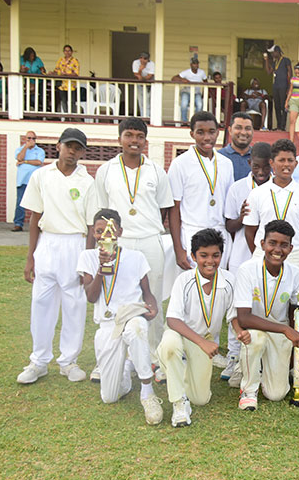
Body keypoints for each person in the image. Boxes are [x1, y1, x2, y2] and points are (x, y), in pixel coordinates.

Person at [92, 117, 174, 383]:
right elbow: (101, 212)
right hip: (119, 242)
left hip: (150, 239)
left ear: (145, 141)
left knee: (154, 299)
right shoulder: (106, 170)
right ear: (119, 139)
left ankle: (154, 356)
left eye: (139, 136)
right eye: (129, 135)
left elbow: (164, 208)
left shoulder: (156, 171)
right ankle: (113, 356)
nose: (134, 141)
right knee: (116, 298)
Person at [16, 128, 95, 384]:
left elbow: (93, 225)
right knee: (41, 303)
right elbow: (34, 217)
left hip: (76, 242)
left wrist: (88, 260)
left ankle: (68, 361)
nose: (73, 151)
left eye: (78, 148)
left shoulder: (87, 181)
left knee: (74, 304)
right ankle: (38, 361)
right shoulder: (41, 176)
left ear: (83, 151)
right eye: (69, 146)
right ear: (58, 146)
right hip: (48, 242)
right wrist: (30, 257)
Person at [77, 209, 163, 425]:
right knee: (109, 396)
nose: (105, 235)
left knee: (137, 329)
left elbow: (147, 293)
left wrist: (152, 307)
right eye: (99, 231)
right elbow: (91, 296)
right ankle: (126, 368)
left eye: (110, 231)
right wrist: (101, 268)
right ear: (94, 233)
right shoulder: (87, 256)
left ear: (120, 232)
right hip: (107, 323)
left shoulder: (136, 257)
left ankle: (147, 392)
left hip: (132, 313)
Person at [158, 228, 240, 426]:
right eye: (203, 256)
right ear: (194, 256)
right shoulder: (184, 280)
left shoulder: (229, 280)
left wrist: (241, 333)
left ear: (222, 255)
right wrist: (202, 342)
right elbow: (173, 321)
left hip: (204, 343)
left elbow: (233, 316)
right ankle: (178, 403)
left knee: (201, 399)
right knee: (170, 345)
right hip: (180, 335)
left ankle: (177, 371)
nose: (210, 261)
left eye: (215, 255)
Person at [235, 220, 299, 411]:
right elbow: (243, 317)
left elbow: (294, 316)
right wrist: (285, 329)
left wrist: (294, 358)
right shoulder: (246, 270)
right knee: (255, 339)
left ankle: (263, 369)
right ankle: (249, 389)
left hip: (280, 334)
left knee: (276, 395)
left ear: (291, 248)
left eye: (284, 245)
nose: (277, 249)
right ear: (262, 244)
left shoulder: (297, 274)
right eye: (272, 243)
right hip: (254, 328)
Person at [222, 142, 272, 382]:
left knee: (264, 304)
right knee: (239, 304)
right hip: (242, 254)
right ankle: (234, 356)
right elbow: (229, 225)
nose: (260, 172)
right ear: (249, 163)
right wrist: (243, 217)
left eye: (264, 167)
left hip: (270, 256)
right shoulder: (238, 188)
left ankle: (262, 356)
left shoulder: (277, 188)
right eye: (255, 166)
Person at [169, 112, 235, 272]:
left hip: (220, 233)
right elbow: (174, 208)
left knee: (220, 287)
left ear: (218, 132)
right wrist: (179, 250)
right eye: (201, 132)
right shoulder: (180, 164)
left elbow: (229, 206)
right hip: (192, 233)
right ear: (192, 134)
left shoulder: (226, 163)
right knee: (194, 288)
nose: (207, 137)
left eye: (211, 132)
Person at [243, 138, 299, 274]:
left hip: (294, 256)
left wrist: (296, 253)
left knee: (296, 295)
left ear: (296, 163)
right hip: (263, 254)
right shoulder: (257, 193)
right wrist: (262, 252)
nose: (286, 165)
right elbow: (249, 231)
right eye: (281, 160)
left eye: (290, 160)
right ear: (272, 163)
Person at [13, 131, 45, 232]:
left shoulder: (39, 151)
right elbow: (19, 158)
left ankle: (40, 224)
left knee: (38, 203)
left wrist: (25, 162)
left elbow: (39, 162)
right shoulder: (20, 149)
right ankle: (18, 224)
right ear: (25, 139)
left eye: (33, 138)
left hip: (35, 181)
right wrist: (26, 147)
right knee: (20, 203)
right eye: (29, 138)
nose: (31, 140)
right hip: (22, 181)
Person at [263, 44, 292, 131]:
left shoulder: (286, 60)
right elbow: (268, 72)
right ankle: (279, 126)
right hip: (276, 86)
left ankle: (283, 127)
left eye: (273, 53)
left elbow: (290, 73)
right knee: (277, 106)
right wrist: (266, 60)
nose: (272, 55)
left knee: (284, 106)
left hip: (284, 86)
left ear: (277, 52)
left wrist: (289, 87)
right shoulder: (275, 62)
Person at [218, 112, 254, 181]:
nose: (243, 132)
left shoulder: (260, 157)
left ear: (252, 131)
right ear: (230, 130)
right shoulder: (219, 157)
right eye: (238, 128)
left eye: (247, 128)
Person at [172, 58, 207, 123]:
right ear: (191, 65)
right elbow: (173, 78)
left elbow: (206, 82)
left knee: (199, 105)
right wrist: (182, 80)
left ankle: (197, 121)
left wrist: (204, 93)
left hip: (197, 92)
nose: (196, 65)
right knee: (184, 104)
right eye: (194, 63)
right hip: (186, 91)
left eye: (197, 63)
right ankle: (184, 121)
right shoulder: (186, 72)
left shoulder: (201, 72)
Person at [51, 44, 80, 114]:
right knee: (63, 101)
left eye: (69, 51)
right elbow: (56, 70)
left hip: (71, 85)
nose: (67, 52)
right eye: (66, 51)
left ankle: (73, 115)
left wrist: (66, 74)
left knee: (72, 101)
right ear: (63, 52)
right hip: (62, 85)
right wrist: (51, 73)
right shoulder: (61, 60)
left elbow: (76, 73)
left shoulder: (75, 61)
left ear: (72, 52)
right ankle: (66, 115)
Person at [132, 51, 154, 117]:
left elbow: (149, 77)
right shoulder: (136, 63)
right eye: (141, 58)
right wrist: (140, 70)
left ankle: (148, 118)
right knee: (141, 102)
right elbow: (136, 76)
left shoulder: (152, 64)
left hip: (149, 84)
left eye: (145, 58)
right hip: (140, 84)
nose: (142, 60)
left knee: (148, 102)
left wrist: (141, 78)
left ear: (148, 59)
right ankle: (143, 118)